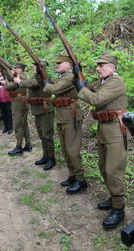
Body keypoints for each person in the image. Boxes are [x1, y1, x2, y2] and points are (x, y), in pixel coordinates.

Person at [73, 52, 128, 229]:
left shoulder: (115, 82)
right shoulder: (104, 81)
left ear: (111, 68)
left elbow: (96, 99)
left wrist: (81, 88)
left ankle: (119, 208)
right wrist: (78, 75)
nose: (97, 68)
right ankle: (113, 198)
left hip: (115, 130)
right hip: (104, 128)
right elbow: (91, 88)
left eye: (101, 65)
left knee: (113, 171)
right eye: (98, 65)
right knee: (103, 167)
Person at [43, 51, 87, 193]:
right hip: (62, 116)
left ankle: (81, 180)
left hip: (71, 116)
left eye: (59, 63)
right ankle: (73, 175)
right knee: (65, 149)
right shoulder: (62, 76)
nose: (56, 65)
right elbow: (51, 84)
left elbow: (54, 88)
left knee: (72, 150)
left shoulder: (70, 76)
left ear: (67, 65)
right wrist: (41, 74)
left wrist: (46, 83)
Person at [14, 59, 55, 170]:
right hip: (38, 109)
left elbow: (30, 83)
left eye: (35, 66)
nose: (33, 67)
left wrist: (19, 81)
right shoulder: (36, 76)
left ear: (40, 67)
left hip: (45, 109)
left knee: (47, 136)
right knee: (42, 135)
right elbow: (30, 82)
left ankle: (51, 158)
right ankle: (46, 156)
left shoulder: (43, 78)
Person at [5, 63, 32, 155]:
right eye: (15, 68)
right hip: (21, 101)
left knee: (17, 124)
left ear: (21, 69)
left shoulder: (20, 78)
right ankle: (28, 144)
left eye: (17, 68)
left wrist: (9, 78)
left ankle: (18, 146)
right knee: (24, 124)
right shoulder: (22, 77)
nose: (15, 70)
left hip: (18, 102)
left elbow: (7, 86)